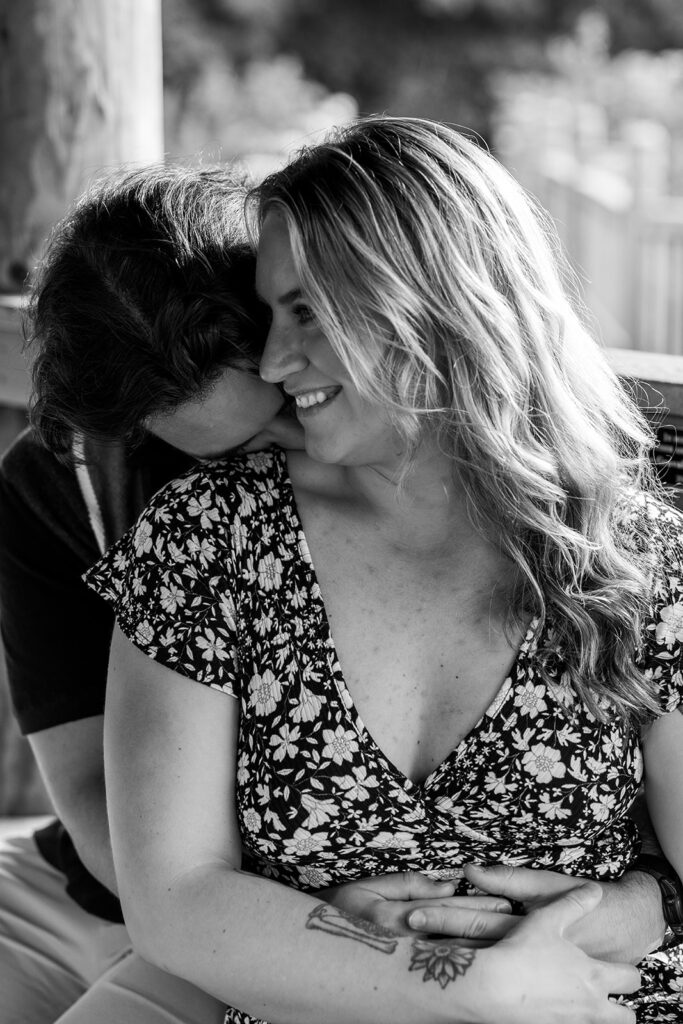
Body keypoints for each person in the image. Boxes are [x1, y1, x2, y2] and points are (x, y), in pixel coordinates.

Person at [83, 116, 683, 1024]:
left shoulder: (637, 557)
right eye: (269, 314)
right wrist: (453, 979)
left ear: (431, 298)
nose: (274, 361)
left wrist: (617, 915)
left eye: (305, 312)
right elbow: (174, 900)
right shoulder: (210, 538)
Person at [0, 163, 298, 1024]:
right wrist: (176, 918)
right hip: (94, 887)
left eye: (287, 405)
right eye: (231, 452)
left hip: (280, 923)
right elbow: (85, 783)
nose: (291, 449)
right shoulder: (53, 486)